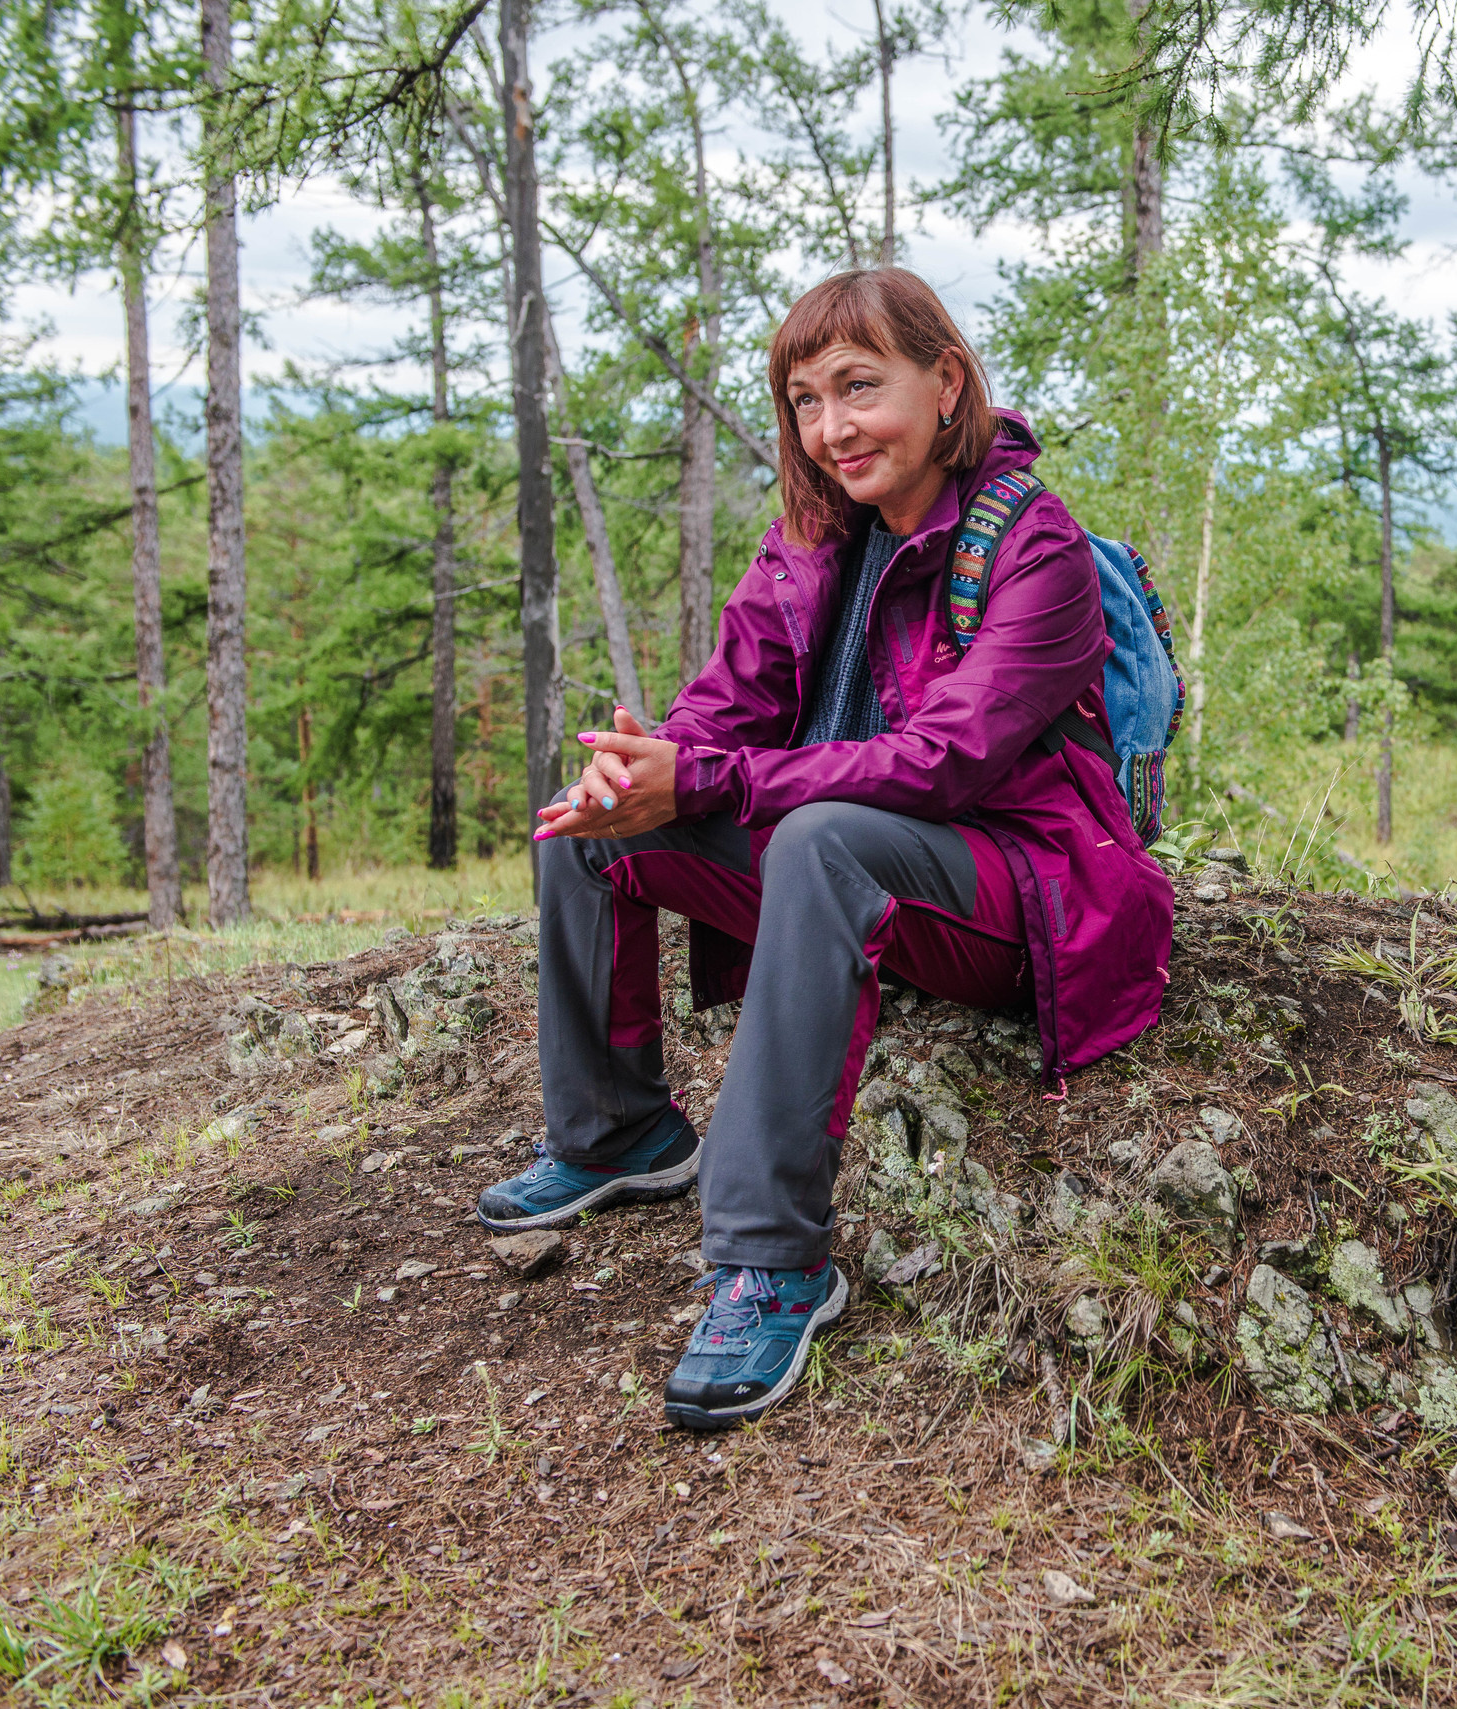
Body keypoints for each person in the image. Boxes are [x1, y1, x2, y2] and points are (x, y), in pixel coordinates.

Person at [474, 267, 1175, 1430]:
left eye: (860, 387)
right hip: (854, 853)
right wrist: (648, 768)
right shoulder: (812, 537)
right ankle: (618, 1130)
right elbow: (727, 704)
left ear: (945, 383)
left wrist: (708, 777)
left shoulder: (1032, 548)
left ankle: (773, 1262)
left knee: (819, 839)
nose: (831, 428)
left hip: (1024, 889)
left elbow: (947, 762)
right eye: (804, 400)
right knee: (585, 819)